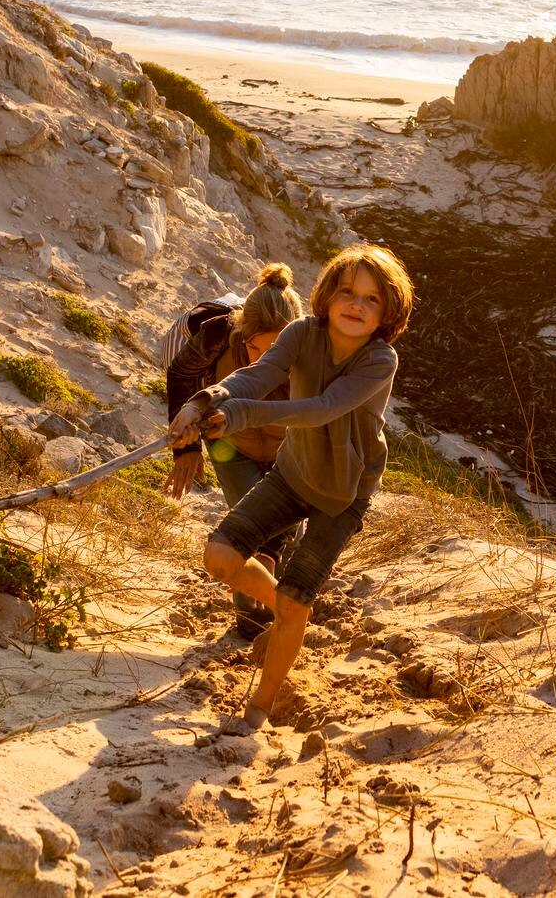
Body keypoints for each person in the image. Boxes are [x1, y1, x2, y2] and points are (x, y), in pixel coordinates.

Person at [170, 243, 413, 730]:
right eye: (348, 291)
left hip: (342, 496)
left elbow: (321, 408)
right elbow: (257, 375)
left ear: (387, 312)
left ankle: (259, 707)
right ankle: (284, 599)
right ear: (326, 296)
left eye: (371, 299)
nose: (357, 305)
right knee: (220, 556)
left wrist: (237, 413)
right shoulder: (302, 333)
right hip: (292, 474)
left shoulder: (379, 360)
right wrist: (205, 401)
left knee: (294, 606)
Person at [161, 264, 304, 638]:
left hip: (290, 447)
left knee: (284, 538)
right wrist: (185, 449)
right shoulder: (219, 335)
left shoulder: (312, 349)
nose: (264, 362)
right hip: (230, 444)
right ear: (242, 332)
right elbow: (180, 376)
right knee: (250, 526)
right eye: (256, 347)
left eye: (277, 351)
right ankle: (253, 627)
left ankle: (278, 612)